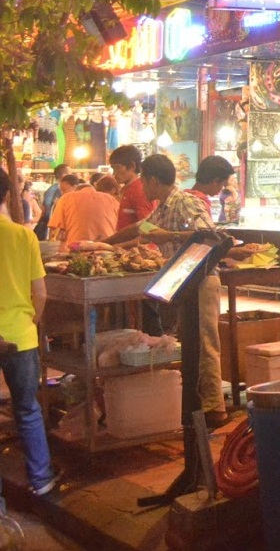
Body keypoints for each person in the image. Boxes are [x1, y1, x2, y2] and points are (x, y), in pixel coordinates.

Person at [106, 155, 229, 428]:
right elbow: (140, 228)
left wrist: (170, 237)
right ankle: (196, 404)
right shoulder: (162, 208)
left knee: (206, 343)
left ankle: (214, 409)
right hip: (183, 285)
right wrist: (103, 243)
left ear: (152, 179)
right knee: (191, 342)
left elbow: (211, 236)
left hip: (202, 280)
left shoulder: (186, 201)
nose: (142, 189)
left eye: (143, 182)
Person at [0, 168, 61, 497]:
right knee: (27, 409)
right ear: (7, 196)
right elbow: (41, 293)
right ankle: (41, 479)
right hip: (20, 337)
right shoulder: (24, 236)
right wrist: (30, 323)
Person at [48, 175, 119, 244]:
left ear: (75, 188)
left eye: (63, 190)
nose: (62, 193)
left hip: (75, 248)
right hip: (106, 247)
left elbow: (53, 230)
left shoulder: (67, 198)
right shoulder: (111, 199)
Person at [110, 145, 153, 231]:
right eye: (113, 169)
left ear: (132, 166)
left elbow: (148, 228)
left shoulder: (140, 190)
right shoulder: (127, 189)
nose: (114, 173)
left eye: (117, 168)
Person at [189, 156, 235, 225]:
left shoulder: (185, 196)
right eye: (222, 184)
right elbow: (205, 234)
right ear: (215, 181)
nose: (222, 188)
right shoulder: (197, 203)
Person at [35, 164, 70, 240]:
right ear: (64, 175)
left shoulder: (55, 189)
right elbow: (48, 211)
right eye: (70, 173)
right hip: (51, 228)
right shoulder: (55, 190)